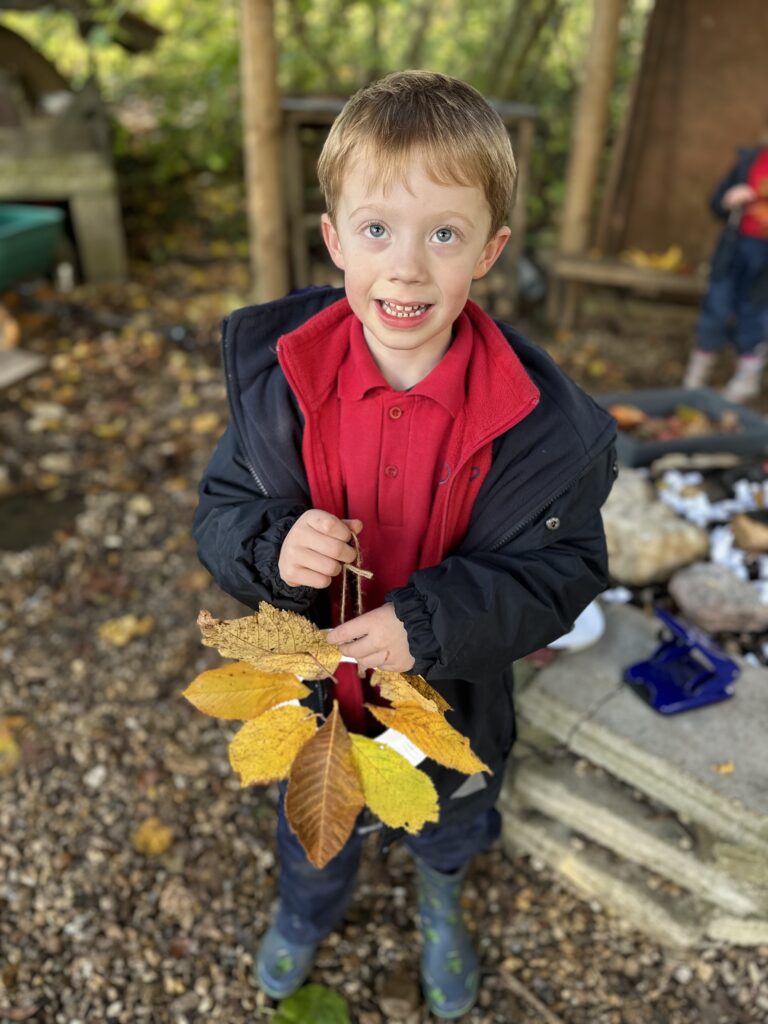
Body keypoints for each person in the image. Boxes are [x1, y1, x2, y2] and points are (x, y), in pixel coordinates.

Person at [193, 70, 617, 1019]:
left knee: (449, 819)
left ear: (490, 251)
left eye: (445, 234)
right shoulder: (283, 383)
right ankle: (305, 913)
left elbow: (564, 570)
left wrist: (429, 622)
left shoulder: (542, 427)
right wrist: (270, 547)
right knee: (316, 822)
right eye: (379, 230)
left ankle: (439, 897)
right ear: (335, 237)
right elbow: (219, 508)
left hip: (451, 689)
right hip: (314, 685)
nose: (409, 268)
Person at [683, 142, 768, 402]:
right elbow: (716, 203)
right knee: (716, 307)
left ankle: (746, 381)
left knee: (754, 312)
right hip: (734, 249)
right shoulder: (750, 161)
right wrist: (729, 198)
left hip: (764, 259)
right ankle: (696, 379)